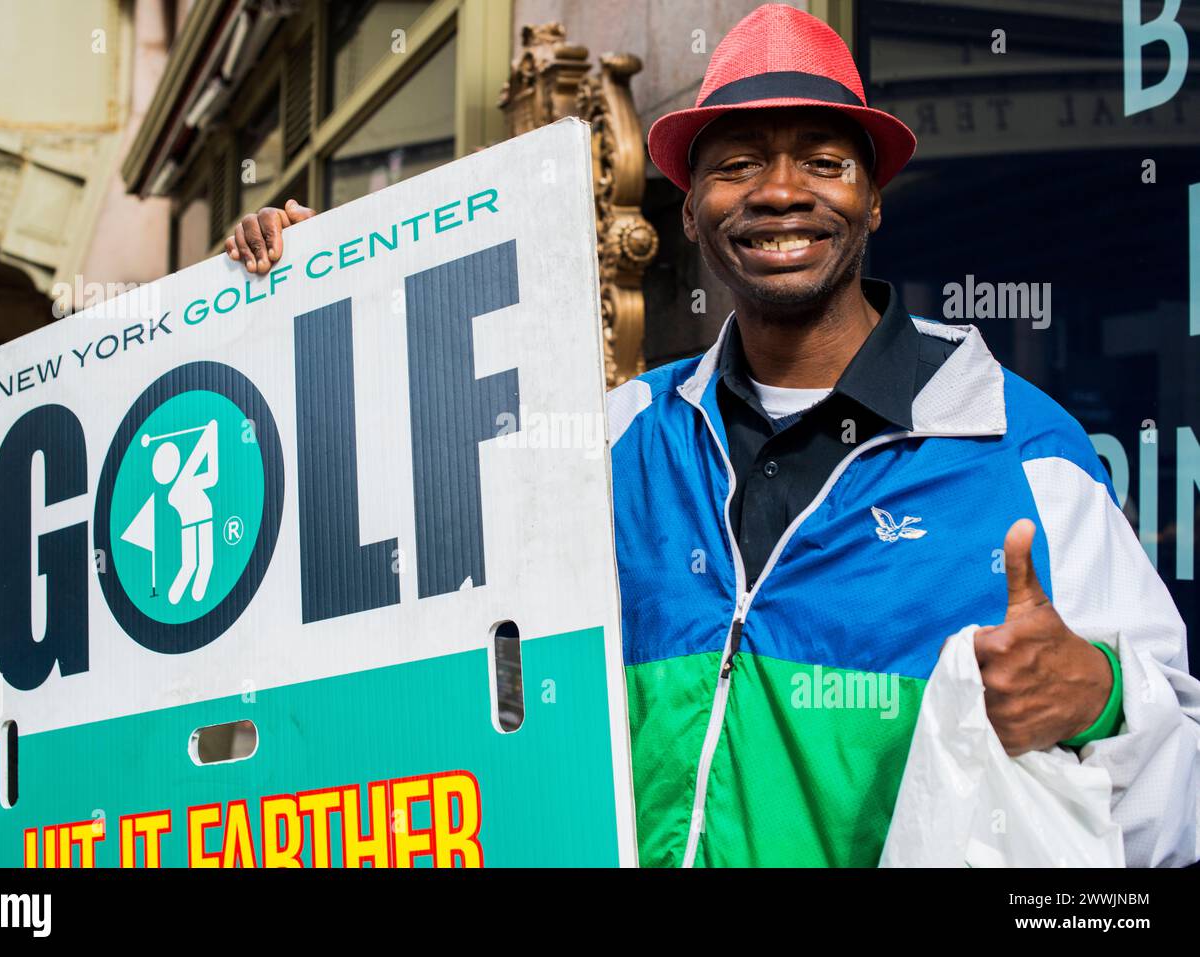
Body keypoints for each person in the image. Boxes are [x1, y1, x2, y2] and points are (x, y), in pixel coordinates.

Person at [223, 4, 1199, 867]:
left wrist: (1100, 701)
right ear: (690, 211)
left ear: (871, 198)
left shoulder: (1019, 455)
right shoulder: (616, 440)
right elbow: (433, 582)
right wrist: (328, 294)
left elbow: (1179, 797)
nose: (779, 193)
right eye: (736, 165)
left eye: (822, 162)